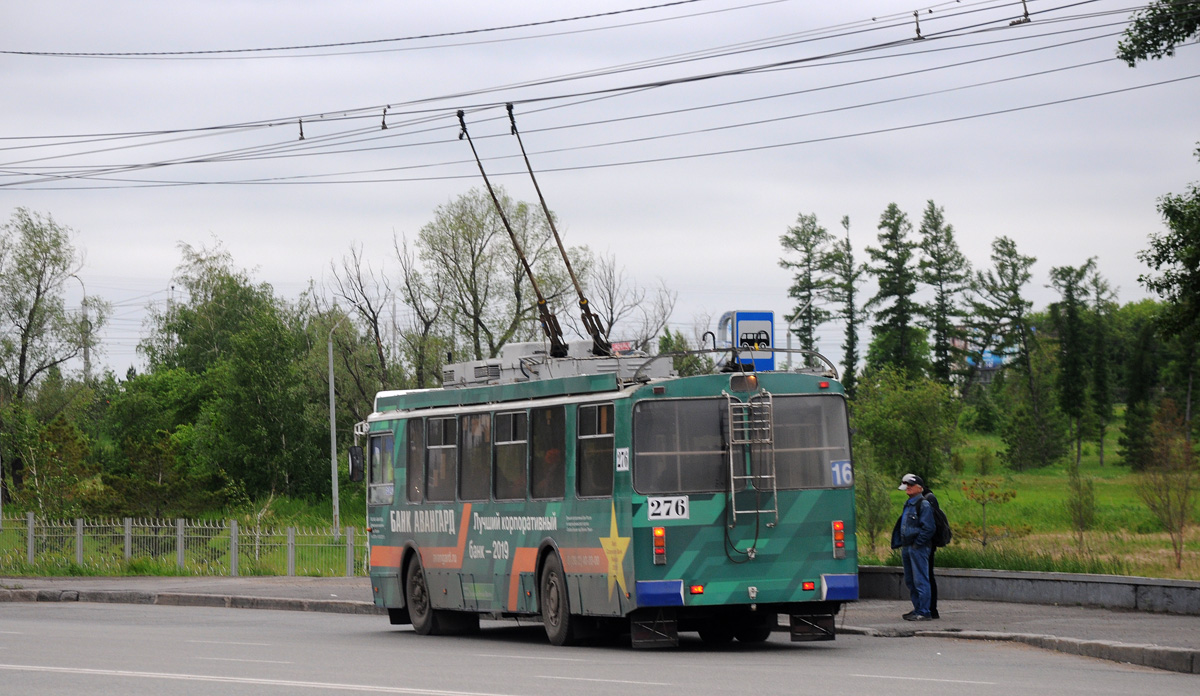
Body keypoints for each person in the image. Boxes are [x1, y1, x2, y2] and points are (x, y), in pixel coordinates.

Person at [890, 473, 935, 621]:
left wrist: (917, 543)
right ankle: (917, 609)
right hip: (908, 546)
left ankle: (924, 611)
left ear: (919, 488)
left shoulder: (923, 504)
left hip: (918, 547)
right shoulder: (908, 504)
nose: (907, 488)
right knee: (910, 580)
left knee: (920, 580)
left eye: (911, 485)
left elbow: (929, 528)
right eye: (906, 485)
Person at [922, 483, 943, 620]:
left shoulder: (927, 500)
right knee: (927, 576)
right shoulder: (928, 498)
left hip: (927, 545)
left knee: (927, 576)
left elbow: (930, 525)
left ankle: (931, 608)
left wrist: (919, 542)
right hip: (929, 544)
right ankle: (929, 608)